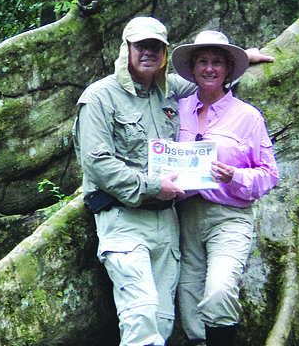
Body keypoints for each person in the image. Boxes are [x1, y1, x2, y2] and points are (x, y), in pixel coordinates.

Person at [73, 17, 274, 346]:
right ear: (126, 50)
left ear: (165, 53)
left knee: (164, 319)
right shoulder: (100, 97)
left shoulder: (170, 92)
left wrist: (242, 58)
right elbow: (96, 163)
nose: (148, 52)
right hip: (123, 217)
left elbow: (210, 80)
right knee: (142, 314)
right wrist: (154, 187)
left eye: (156, 47)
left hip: (168, 223)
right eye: (141, 46)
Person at [170, 30, 280, 346]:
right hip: (185, 217)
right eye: (203, 61)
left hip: (230, 217)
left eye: (217, 62)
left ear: (228, 70)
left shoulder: (247, 117)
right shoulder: (177, 109)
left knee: (219, 290)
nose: (209, 69)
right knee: (189, 297)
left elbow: (269, 175)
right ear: (192, 67)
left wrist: (235, 175)